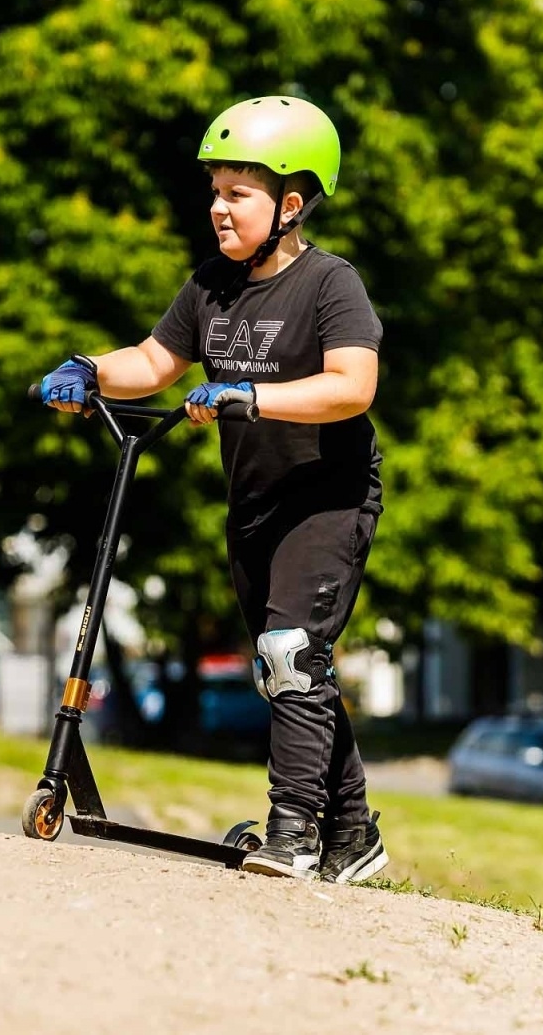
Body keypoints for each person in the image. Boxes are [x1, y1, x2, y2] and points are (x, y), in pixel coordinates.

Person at [39, 95, 387, 883]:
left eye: (239, 193)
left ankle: (294, 834)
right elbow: (152, 363)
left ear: (290, 204)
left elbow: (352, 386)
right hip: (257, 501)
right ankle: (353, 832)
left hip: (327, 499)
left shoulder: (331, 285)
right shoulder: (211, 288)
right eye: (215, 192)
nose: (219, 208)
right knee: (285, 668)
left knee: (290, 653)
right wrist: (88, 369)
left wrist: (252, 396)